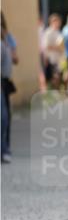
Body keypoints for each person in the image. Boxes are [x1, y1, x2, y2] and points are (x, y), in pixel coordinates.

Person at [1, 12, 18, 164]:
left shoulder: (7, 37)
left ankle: (5, 147)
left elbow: (16, 58)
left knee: (5, 116)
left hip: (4, 81)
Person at [41, 14, 65, 89]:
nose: (58, 23)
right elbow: (46, 46)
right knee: (54, 78)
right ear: (52, 22)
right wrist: (58, 47)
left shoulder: (58, 31)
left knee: (59, 77)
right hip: (51, 59)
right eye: (57, 22)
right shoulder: (48, 32)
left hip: (59, 59)